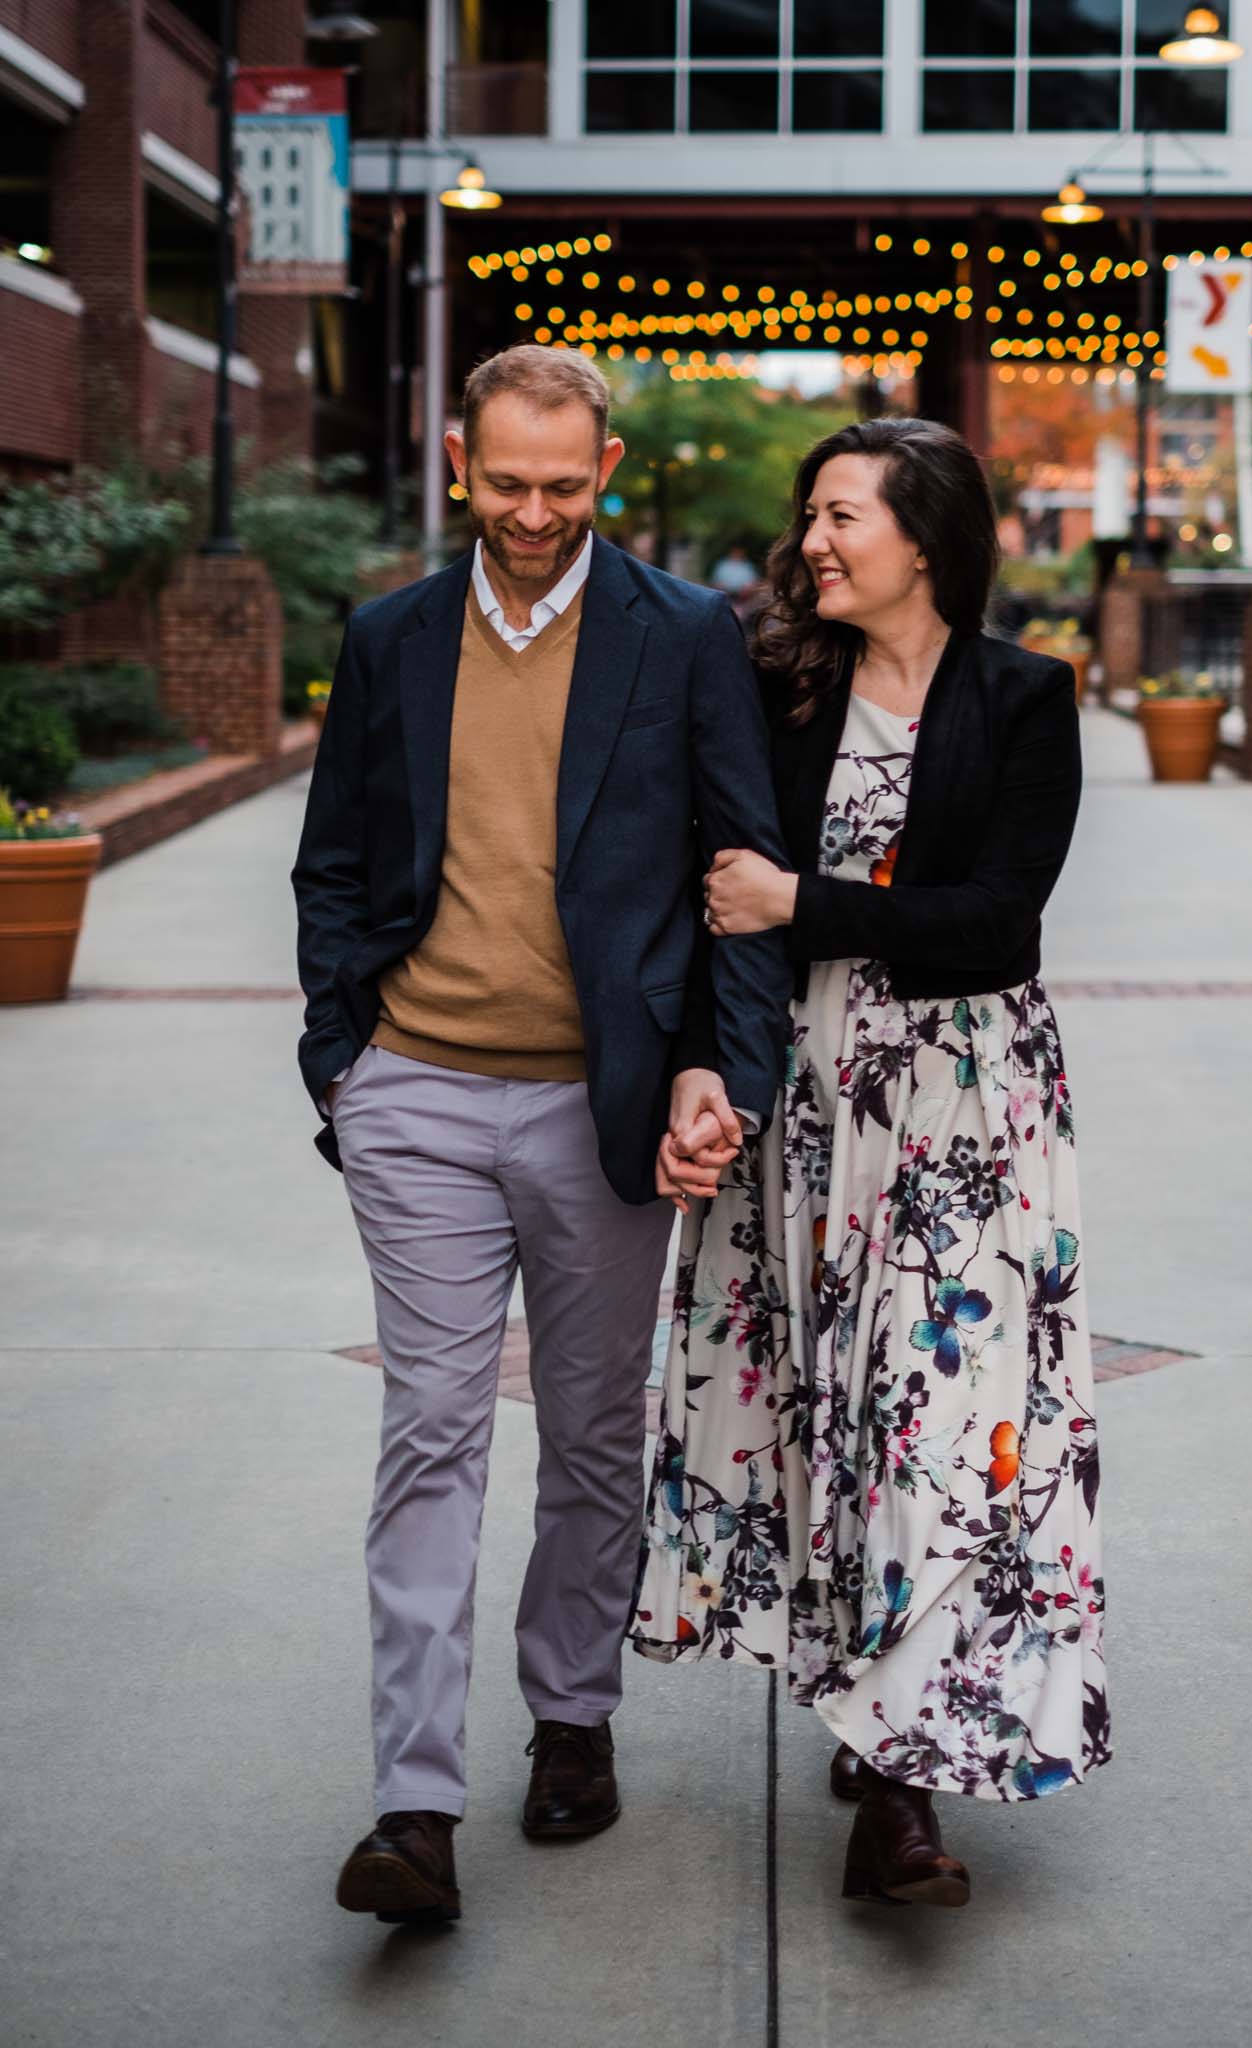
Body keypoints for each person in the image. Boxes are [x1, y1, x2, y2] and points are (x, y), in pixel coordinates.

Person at [291, 344, 790, 1925]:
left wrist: (722, 1066)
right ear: (459, 459)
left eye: (562, 485)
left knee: (585, 1433)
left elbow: (739, 867)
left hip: (605, 1101)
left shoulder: (686, 635)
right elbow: (335, 861)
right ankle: (413, 1805)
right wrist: (340, 1059)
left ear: (609, 466)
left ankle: (570, 1716)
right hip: (418, 1088)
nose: (530, 510)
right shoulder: (389, 638)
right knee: (431, 1433)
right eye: (504, 480)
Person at [634, 416, 1111, 1910]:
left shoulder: (1026, 698)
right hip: (810, 1100)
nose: (813, 541)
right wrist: (717, 1048)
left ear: (925, 538)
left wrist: (800, 898)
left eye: (841, 516)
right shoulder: (784, 690)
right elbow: (714, 892)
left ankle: (896, 1799)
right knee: (829, 1418)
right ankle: (870, 1690)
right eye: (810, 517)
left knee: (939, 1428)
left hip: (966, 1114)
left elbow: (996, 923)